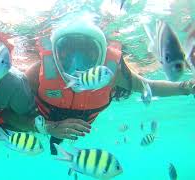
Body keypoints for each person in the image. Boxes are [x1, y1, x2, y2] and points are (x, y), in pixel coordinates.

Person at [25, 19, 195, 155]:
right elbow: (12, 113)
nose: (77, 63)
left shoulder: (112, 74)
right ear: (55, 52)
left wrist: (187, 86)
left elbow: (149, 87)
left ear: (101, 54)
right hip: (45, 119)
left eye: (86, 51)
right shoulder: (38, 72)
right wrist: (48, 127)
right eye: (67, 51)